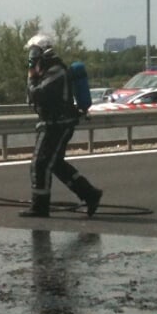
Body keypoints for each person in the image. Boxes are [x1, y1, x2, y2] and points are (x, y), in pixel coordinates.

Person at [20, 33, 102, 218]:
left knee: (40, 163)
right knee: (55, 164)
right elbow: (30, 97)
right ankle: (90, 194)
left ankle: (40, 207)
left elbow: (37, 94)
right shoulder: (46, 71)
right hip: (51, 123)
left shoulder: (56, 70)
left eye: (33, 53)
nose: (31, 58)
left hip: (58, 124)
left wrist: (31, 77)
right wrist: (33, 76)